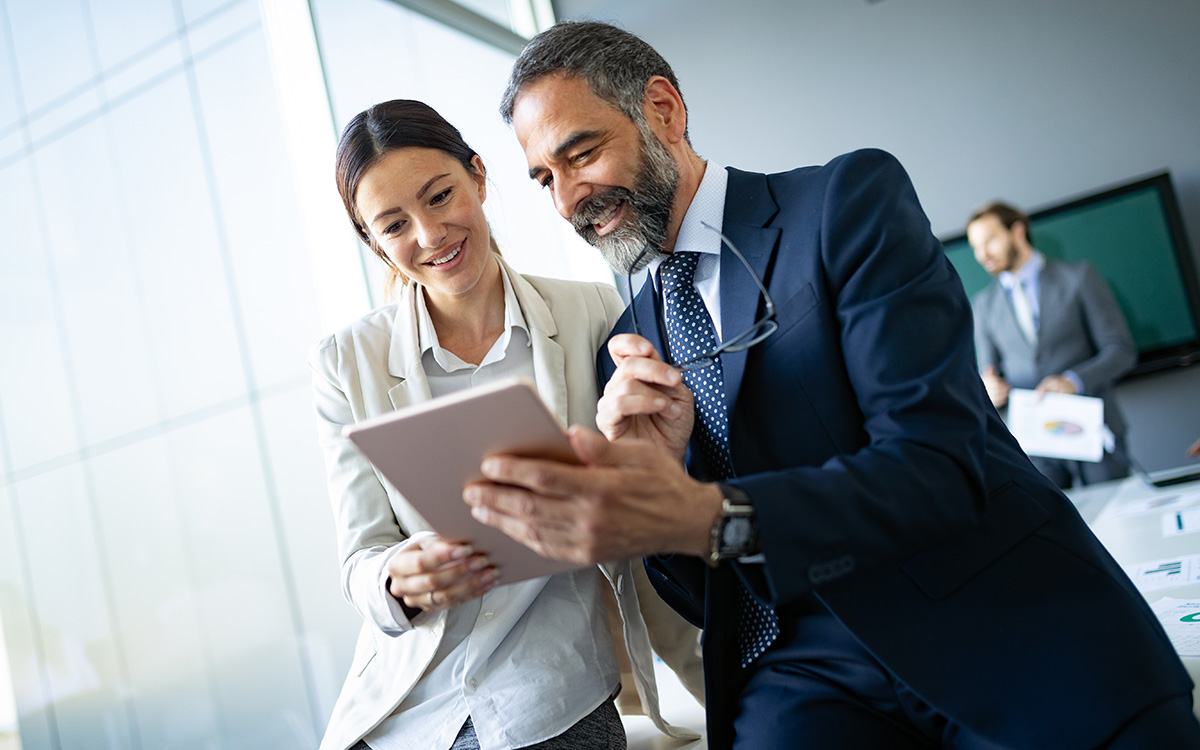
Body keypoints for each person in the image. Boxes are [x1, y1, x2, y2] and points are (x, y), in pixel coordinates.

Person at [458, 21, 1200, 750]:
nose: (566, 201)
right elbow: (699, 592)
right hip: (802, 677)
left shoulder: (844, 206)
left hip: (996, 629)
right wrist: (653, 490)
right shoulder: (625, 354)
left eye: (581, 154)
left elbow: (937, 467)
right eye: (544, 179)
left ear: (663, 111)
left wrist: (709, 512)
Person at [308, 99, 702, 750]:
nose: (430, 235)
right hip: (412, 713)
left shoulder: (593, 314)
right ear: (372, 240)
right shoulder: (346, 363)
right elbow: (360, 556)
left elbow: (650, 485)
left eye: (440, 197)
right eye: (395, 224)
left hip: (551, 698)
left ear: (479, 177)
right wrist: (396, 578)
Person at [966, 201, 1137, 488]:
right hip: (1035, 447)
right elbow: (989, 374)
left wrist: (1074, 381)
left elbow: (1121, 350)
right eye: (975, 247)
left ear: (1017, 231)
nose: (982, 254)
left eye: (990, 241)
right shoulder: (983, 305)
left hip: (1094, 433)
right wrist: (989, 390)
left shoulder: (1079, 277)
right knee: (1052, 529)